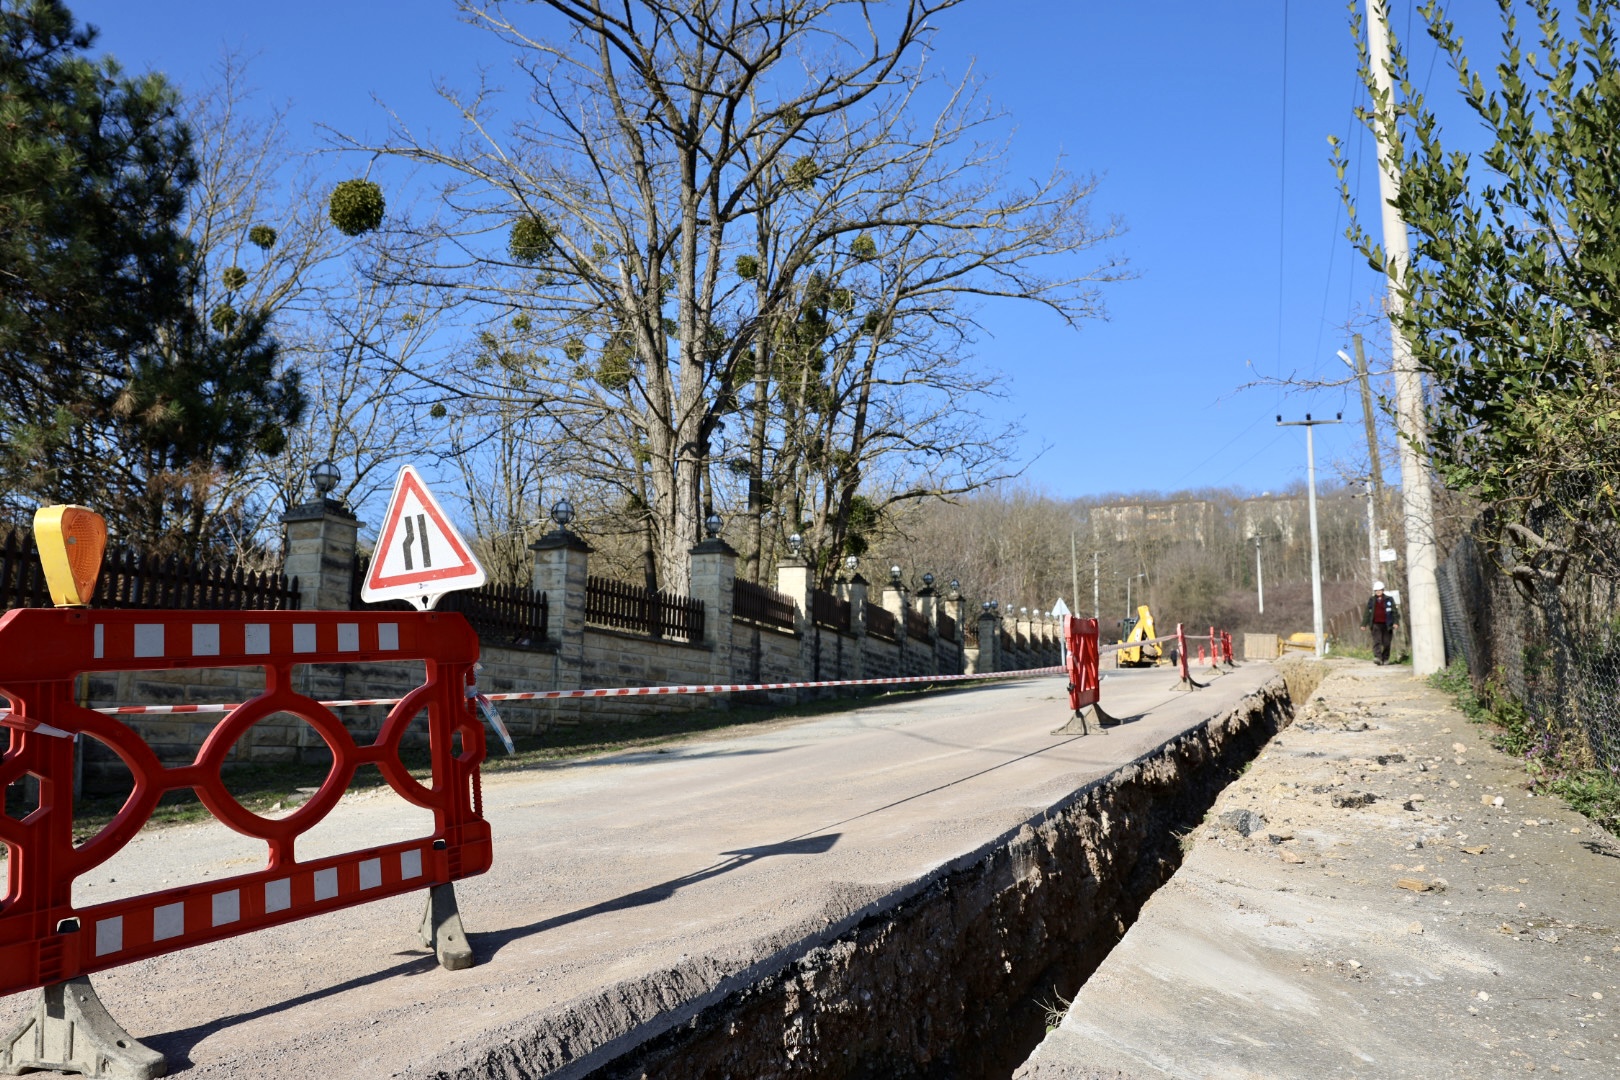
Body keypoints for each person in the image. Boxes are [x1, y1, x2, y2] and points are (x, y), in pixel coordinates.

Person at [1362, 580, 1400, 665]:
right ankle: (1378, 657)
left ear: (1383, 590)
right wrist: (1364, 624)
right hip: (1376, 624)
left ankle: (1385, 658)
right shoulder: (1372, 600)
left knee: (1387, 642)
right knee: (1377, 641)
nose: (1378, 592)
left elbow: (1394, 612)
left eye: (1379, 590)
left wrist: (1396, 622)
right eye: (1376, 591)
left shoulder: (1389, 599)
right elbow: (1367, 612)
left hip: (1387, 624)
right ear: (1374, 591)